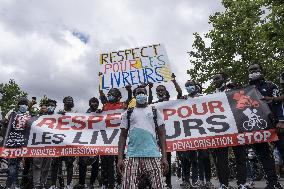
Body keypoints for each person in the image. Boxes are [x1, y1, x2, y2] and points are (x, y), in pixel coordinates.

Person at [117, 86, 169, 189]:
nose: (141, 94)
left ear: (147, 95)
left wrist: (164, 157)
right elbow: (122, 137)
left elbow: (162, 135)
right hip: (132, 156)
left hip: (153, 156)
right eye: (138, 93)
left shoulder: (155, 111)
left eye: (143, 92)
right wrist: (120, 159)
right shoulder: (128, 113)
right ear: (135, 96)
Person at [247, 64, 282, 189]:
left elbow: (279, 104)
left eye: (255, 70)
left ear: (261, 71)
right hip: (257, 127)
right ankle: (272, 182)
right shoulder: (246, 89)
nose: (252, 72)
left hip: (275, 123)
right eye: (250, 70)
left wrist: (281, 120)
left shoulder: (271, 86)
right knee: (263, 155)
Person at [211, 73, 248, 189]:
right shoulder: (211, 95)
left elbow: (243, 100)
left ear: (224, 79)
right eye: (214, 79)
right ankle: (224, 184)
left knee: (240, 157)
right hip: (221, 130)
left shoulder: (234, 90)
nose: (216, 80)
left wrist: (239, 88)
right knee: (221, 159)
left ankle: (241, 183)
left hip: (237, 128)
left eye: (218, 78)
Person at [147, 73, 182, 189]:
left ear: (166, 91)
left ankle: (168, 183)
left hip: (169, 135)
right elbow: (149, 102)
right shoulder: (155, 104)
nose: (160, 92)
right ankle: (157, 181)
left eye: (161, 90)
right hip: (156, 135)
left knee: (165, 157)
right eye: (158, 90)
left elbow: (180, 94)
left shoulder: (171, 103)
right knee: (155, 159)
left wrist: (174, 81)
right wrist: (150, 89)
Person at [99, 86, 132, 189]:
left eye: (112, 94)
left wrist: (129, 90)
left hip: (119, 138)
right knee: (104, 162)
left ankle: (119, 182)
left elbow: (130, 98)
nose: (110, 95)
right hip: (106, 138)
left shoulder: (123, 105)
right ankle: (105, 183)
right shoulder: (105, 106)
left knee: (119, 160)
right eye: (109, 94)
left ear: (118, 96)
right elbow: (101, 93)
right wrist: (101, 81)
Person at [50, 96, 76, 189]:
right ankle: (53, 184)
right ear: (64, 102)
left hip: (70, 143)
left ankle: (68, 184)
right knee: (55, 164)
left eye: (71, 100)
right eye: (68, 100)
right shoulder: (58, 113)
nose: (70, 101)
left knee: (69, 164)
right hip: (59, 143)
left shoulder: (76, 114)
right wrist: (58, 116)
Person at [76, 97, 101, 189]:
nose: (95, 104)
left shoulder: (101, 114)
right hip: (85, 142)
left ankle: (92, 183)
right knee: (82, 164)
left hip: (95, 142)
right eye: (93, 102)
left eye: (96, 102)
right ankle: (82, 183)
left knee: (95, 165)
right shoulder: (85, 115)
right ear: (89, 104)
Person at [5, 97, 31, 189]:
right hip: (12, 143)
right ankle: (15, 185)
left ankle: (9, 185)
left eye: (25, 104)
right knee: (12, 164)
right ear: (18, 105)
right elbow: (5, 124)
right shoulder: (12, 114)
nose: (24, 105)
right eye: (22, 103)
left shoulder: (30, 116)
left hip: (22, 144)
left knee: (16, 165)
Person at [33, 99, 57, 189]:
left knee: (46, 167)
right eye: (49, 105)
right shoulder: (38, 117)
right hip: (38, 145)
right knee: (37, 165)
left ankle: (42, 183)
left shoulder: (57, 117)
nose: (50, 107)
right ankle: (36, 184)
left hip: (49, 145)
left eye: (52, 105)